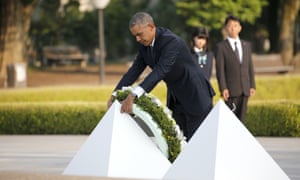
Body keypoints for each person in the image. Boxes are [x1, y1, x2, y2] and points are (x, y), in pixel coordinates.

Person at [107, 12, 215, 141]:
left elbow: (160, 71)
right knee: (180, 142)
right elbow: (133, 72)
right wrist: (115, 94)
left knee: (196, 143)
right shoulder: (144, 46)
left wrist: (133, 95)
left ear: (151, 27)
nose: (137, 39)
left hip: (196, 95)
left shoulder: (171, 42)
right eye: (135, 36)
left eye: (139, 34)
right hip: (177, 99)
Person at [214, 15, 256, 122]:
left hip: (245, 89)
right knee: (231, 120)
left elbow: (250, 66)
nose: (233, 29)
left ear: (240, 28)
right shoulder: (221, 47)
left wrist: (252, 85)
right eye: (230, 26)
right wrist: (223, 88)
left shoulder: (246, 45)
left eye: (235, 26)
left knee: (242, 120)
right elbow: (220, 70)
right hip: (231, 90)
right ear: (226, 28)